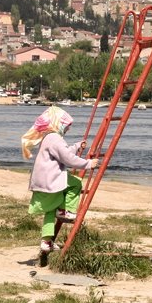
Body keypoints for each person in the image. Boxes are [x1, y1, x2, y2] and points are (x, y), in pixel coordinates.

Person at [22, 106, 98, 253]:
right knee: (75, 184)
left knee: (50, 210)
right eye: (67, 126)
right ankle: (66, 210)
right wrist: (88, 164)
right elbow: (67, 159)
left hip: (42, 180)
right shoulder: (55, 138)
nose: (68, 129)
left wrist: (76, 146)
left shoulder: (49, 137)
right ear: (58, 123)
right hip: (51, 179)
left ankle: (46, 242)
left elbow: (62, 153)